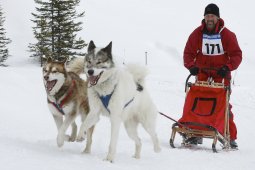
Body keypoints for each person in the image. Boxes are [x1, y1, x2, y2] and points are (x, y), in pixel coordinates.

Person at [183, 3, 242, 148]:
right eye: (207, 16)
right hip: (202, 74)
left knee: (223, 105)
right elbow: (188, 53)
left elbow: (236, 55)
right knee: (198, 103)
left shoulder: (226, 34)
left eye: (212, 16)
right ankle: (195, 133)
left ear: (217, 18)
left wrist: (227, 67)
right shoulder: (197, 34)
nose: (209, 18)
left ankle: (230, 136)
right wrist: (192, 66)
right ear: (204, 17)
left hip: (221, 76)